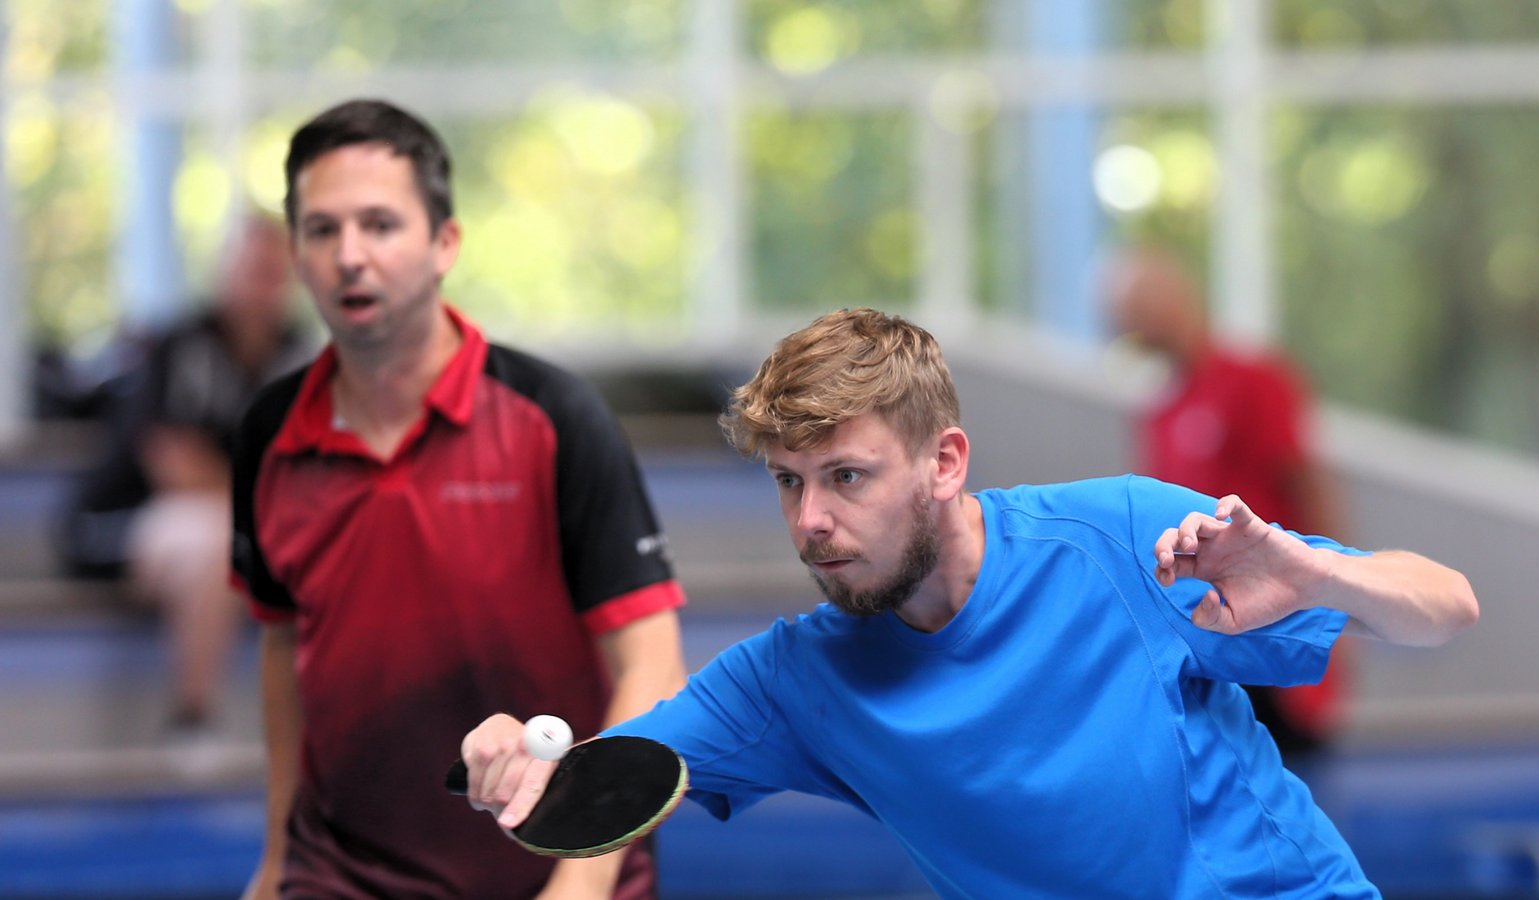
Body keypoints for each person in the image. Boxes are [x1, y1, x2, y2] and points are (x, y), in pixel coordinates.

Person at [460, 307, 1478, 898]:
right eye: (788, 482)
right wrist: (509, 766)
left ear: (945, 463)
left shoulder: (1123, 537)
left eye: (846, 477)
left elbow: (1448, 605)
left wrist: (1318, 575)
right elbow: (594, 783)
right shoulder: (790, 681)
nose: (811, 520)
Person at [230, 99, 688, 899]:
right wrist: (275, 861)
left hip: (557, 870)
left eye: (380, 225)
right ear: (296, 252)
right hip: (341, 875)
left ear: (445, 243)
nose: (349, 256)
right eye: (322, 229)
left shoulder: (556, 417)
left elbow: (652, 661)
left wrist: (581, 883)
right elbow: (283, 648)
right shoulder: (269, 431)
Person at [59, 212, 312, 732]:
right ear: (224, 271)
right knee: (214, 538)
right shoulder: (179, 344)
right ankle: (194, 721)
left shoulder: (299, 357)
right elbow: (172, 463)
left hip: (243, 528)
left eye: (276, 271)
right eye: (253, 268)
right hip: (123, 523)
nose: (263, 285)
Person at [1106, 245, 1350, 767]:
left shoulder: (1255, 382)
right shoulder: (1160, 412)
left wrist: (1339, 593)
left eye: (1135, 311)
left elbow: (1307, 485)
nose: (1128, 327)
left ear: (1173, 300)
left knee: (1293, 777)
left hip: (1277, 626)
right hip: (1209, 636)